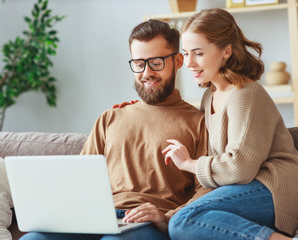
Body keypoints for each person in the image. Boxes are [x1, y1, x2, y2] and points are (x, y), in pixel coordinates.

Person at [20, 19, 210, 240]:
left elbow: (206, 189)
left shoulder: (199, 122)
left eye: (156, 62)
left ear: (178, 61)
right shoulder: (110, 117)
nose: (147, 72)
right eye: (139, 63)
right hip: (95, 218)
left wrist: (167, 217)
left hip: (147, 223)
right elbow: (80, 180)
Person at [160, 8, 298, 240]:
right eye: (186, 54)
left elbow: (240, 167)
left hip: (277, 188)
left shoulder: (245, 94)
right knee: (181, 221)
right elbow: (219, 168)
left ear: (226, 51)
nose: (189, 63)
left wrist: (189, 163)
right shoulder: (210, 96)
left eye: (198, 53)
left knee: (184, 222)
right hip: (246, 187)